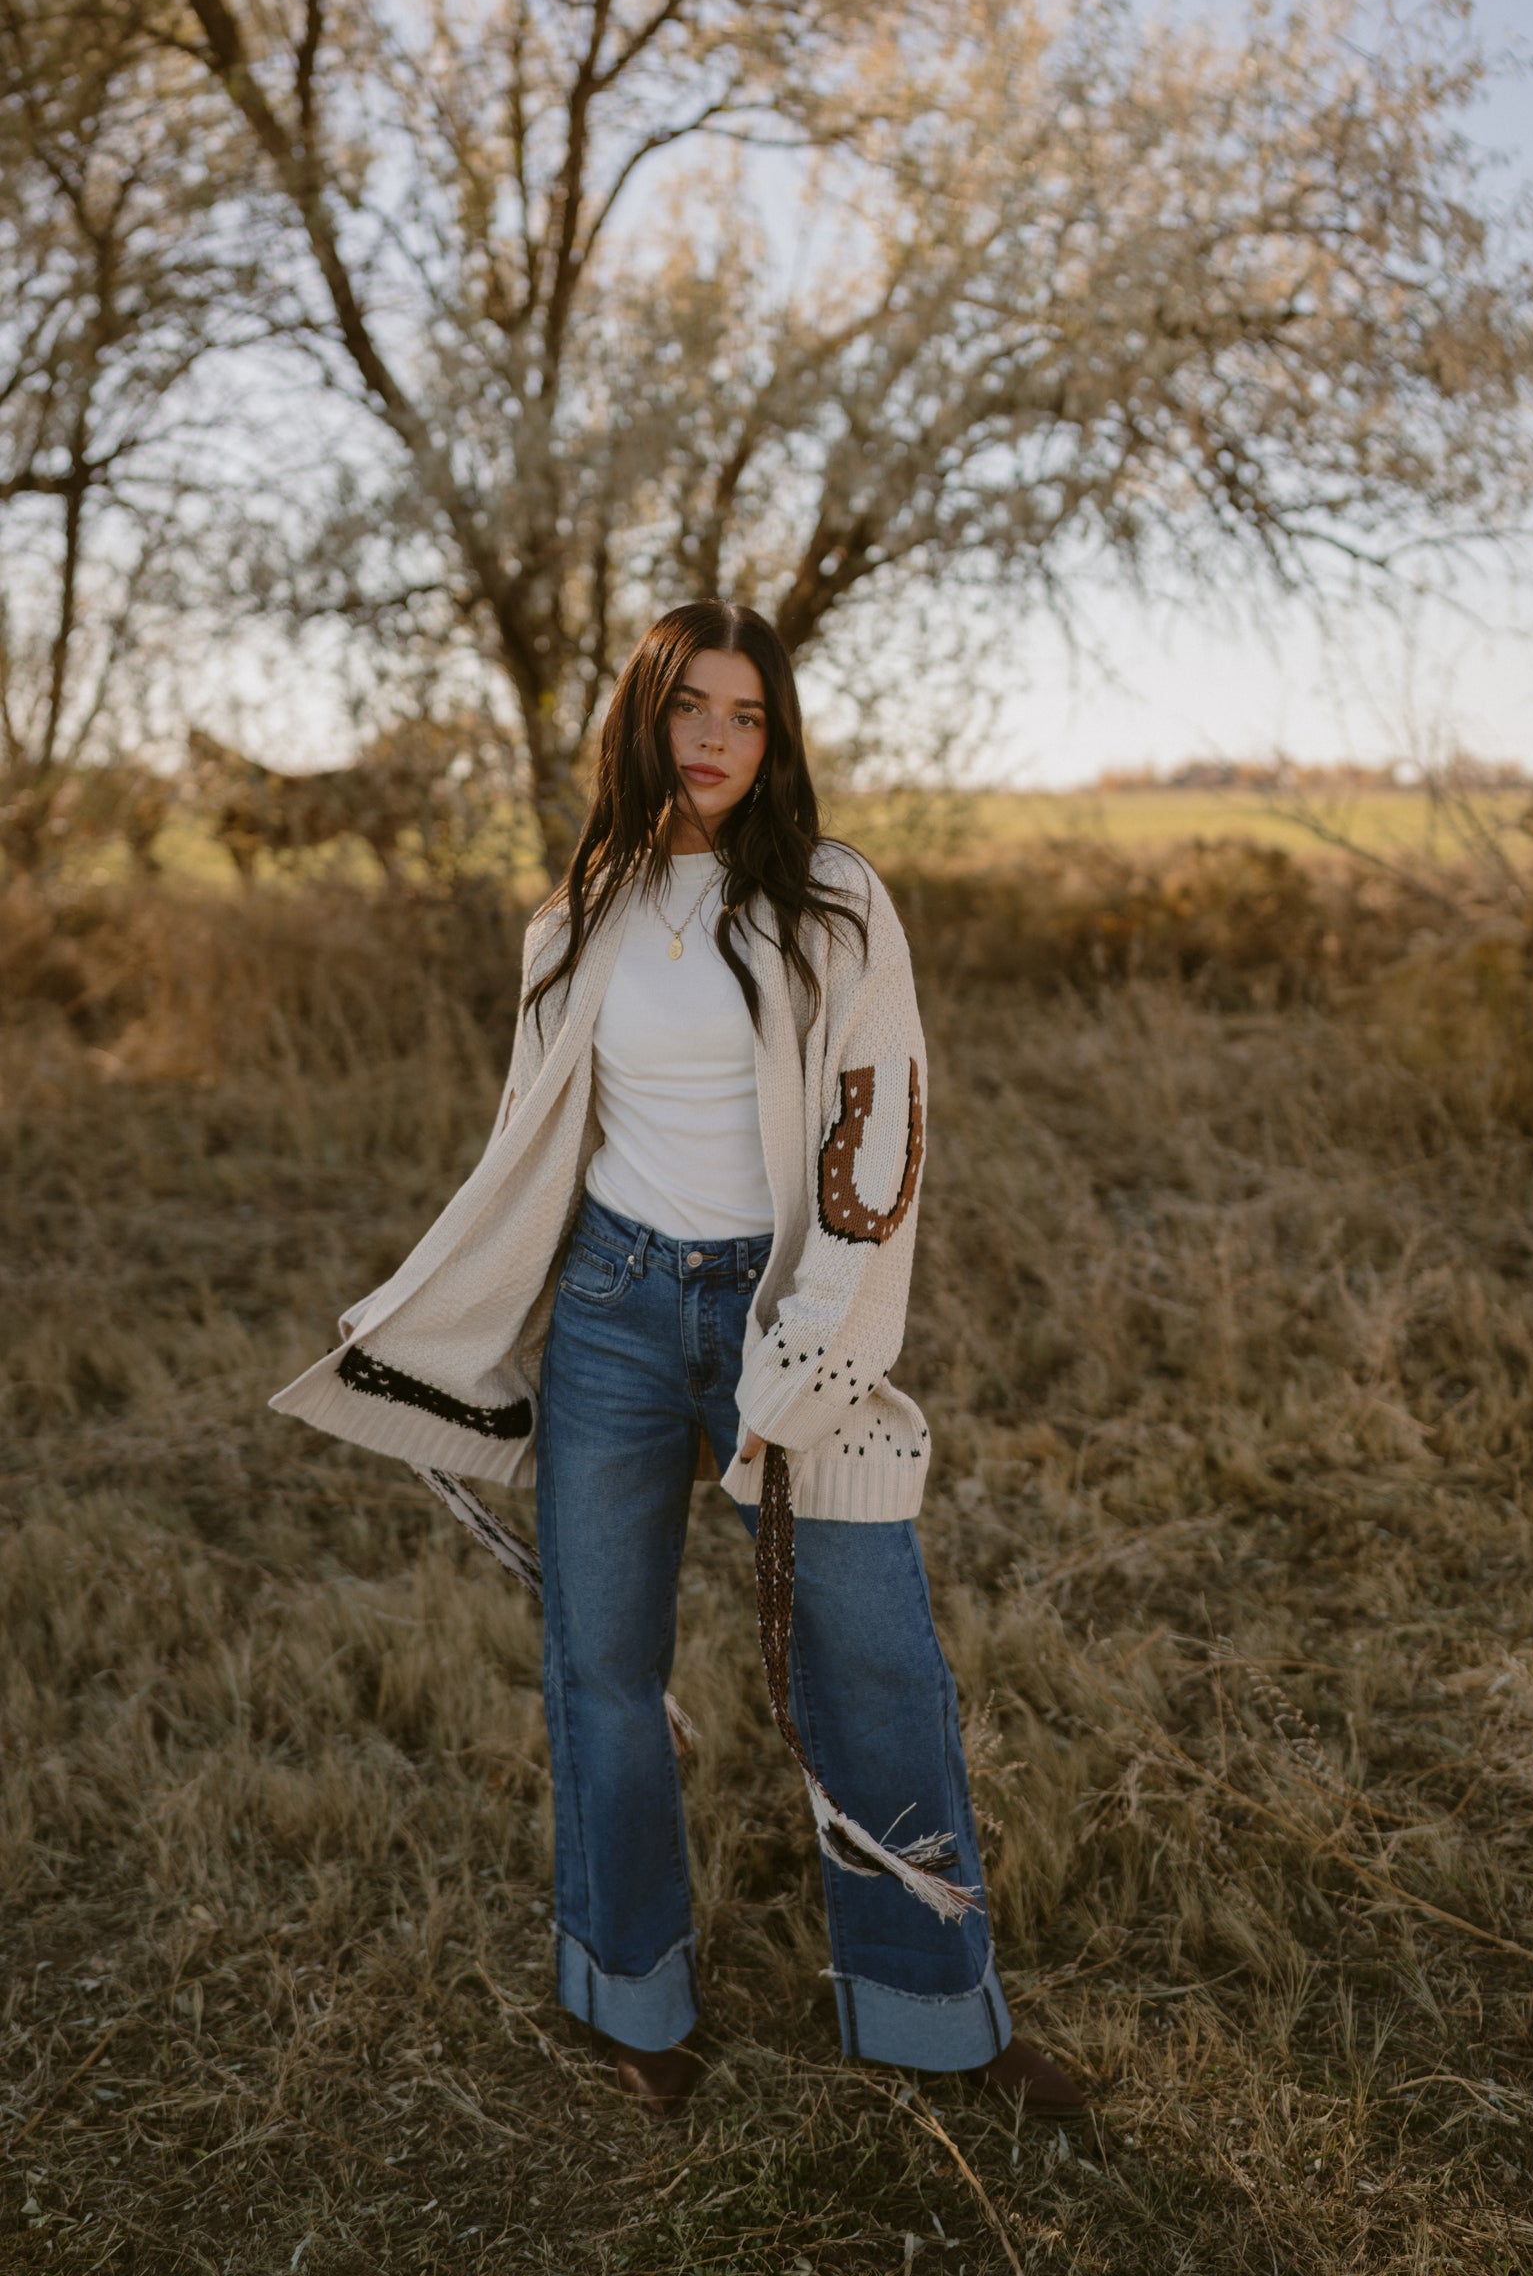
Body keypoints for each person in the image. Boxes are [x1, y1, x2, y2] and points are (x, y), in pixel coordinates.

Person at [271, 601, 1085, 2115]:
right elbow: (535, 1138)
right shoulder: (580, 911)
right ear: (642, 719)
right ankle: (635, 1998)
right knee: (603, 1670)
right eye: (689, 707)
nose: (714, 739)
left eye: (747, 715)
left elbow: (876, 1145)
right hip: (614, 1312)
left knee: (875, 1659)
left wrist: (802, 1352)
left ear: (775, 740)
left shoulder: (835, 902)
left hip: (783, 1308)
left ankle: (938, 2015)